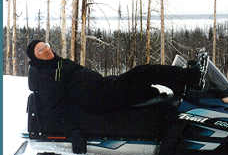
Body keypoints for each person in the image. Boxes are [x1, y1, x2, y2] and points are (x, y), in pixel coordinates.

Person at [26, 40, 205, 115]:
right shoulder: (45, 75)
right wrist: (74, 130)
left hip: (103, 86)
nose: (47, 50)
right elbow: (57, 105)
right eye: (40, 50)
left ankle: (184, 85)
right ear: (35, 57)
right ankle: (190, 77)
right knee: (143, 72)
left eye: (46, 45)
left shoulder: (56, 63)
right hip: (98, 99)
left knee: (151, 93)